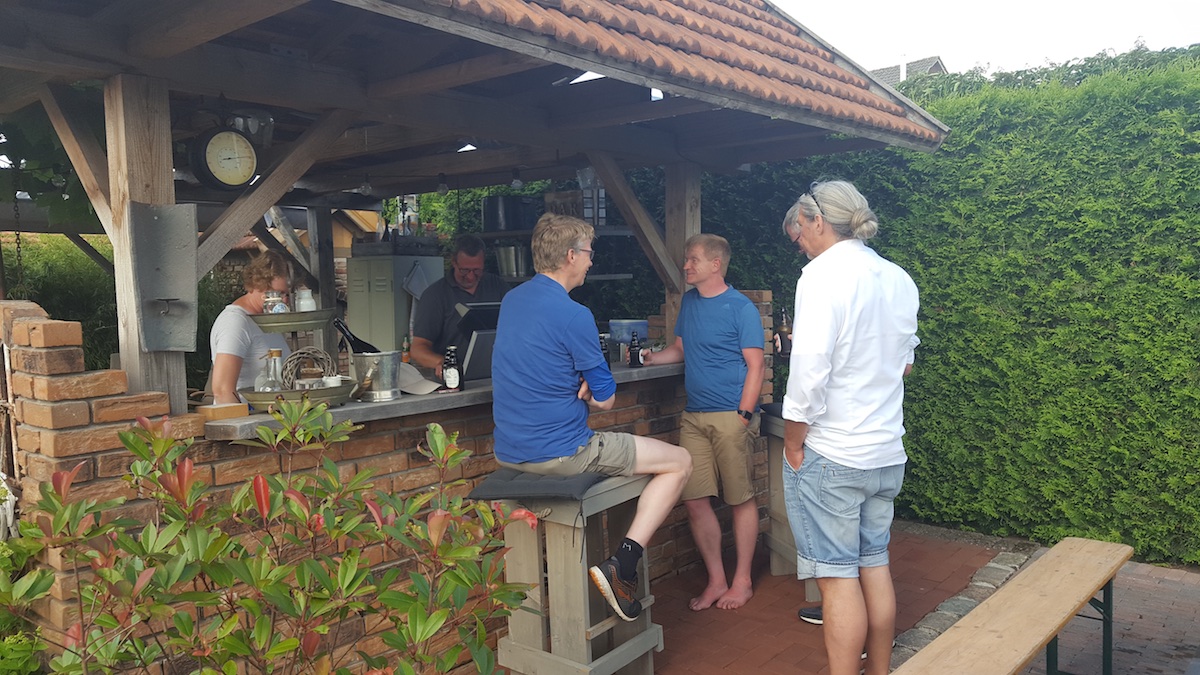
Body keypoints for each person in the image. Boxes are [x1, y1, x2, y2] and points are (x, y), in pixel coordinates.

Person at [491, 212, 693, 622]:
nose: (591, 260)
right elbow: (606, 399)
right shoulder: (575, 315)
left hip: (509, 452)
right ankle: (623, 565)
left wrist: (572, 377)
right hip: (563, 453)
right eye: (588, 252)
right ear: (570, 256)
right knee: (680, 462)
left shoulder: (512, 301)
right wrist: (586, 383)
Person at [779, 180, 919, 675]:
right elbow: (905, 365)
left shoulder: (821, 277)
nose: (799, 240)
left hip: (833, 452)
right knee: (874, 564)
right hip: (886, 451)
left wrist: (792, 443)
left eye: (800, 229)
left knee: (837, 580)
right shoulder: (898, 278)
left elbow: (808, 374)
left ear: (818, 220)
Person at [641, 233, 764, 611]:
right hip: (693, 416)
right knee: (694, 500)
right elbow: (679, 349)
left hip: (731, 416)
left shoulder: (740, 308)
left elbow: (756, 365)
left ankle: (742, 581)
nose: (685, 265)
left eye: (692, 259)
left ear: (715, 264)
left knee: (739, 499)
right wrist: (650, 358)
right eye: (686, 259)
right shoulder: (690, 303)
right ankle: (716, 580)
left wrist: (743, 415)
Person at [410, 234, 509, 378]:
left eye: (477, 270)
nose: (470, 276)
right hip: (453, 379)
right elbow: (417, 349)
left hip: (497, 375)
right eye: (464, 270)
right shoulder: (435, 295)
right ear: (453, 262)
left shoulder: (497, 286)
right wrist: (444, 363)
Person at [210, 250, 292, 404]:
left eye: (286, 294)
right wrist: (241, 419)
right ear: (257, 285)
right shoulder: (235, 322)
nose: (283, 300)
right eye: (277, 293)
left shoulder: (266, 320)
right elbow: (222, 391)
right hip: (247, 415)